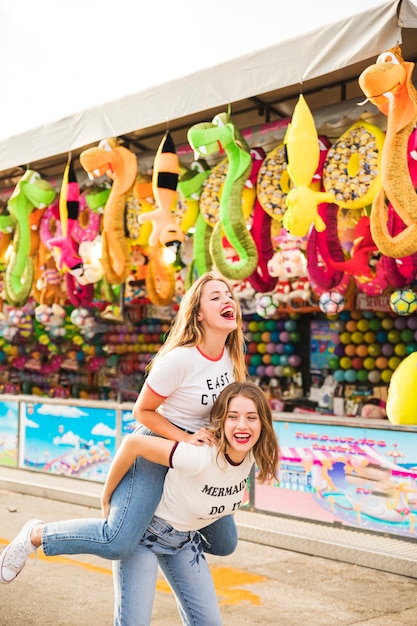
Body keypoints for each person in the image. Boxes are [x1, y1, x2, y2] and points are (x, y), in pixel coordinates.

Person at [0, 273, 248, 616]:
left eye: (229, 295)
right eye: (216, 297)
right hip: (158, 446)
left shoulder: (232, 357)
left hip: (193, 459)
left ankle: (174, 536)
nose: (227, 301)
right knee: (118, 540)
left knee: (225, 542)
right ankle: (37, 534)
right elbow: (142, 411)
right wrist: (186, 438)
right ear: (199, 314)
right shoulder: (179, 360)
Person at [3, 381, 279, 626]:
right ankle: (37, 534)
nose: (242, 425)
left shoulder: (252, 456)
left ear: (263, 423)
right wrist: (106, 496)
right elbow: (133, 444)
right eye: (233, 417)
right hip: (144, 538)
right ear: (221, 421)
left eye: (251, 418)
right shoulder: (198, 456)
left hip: (185, 542)